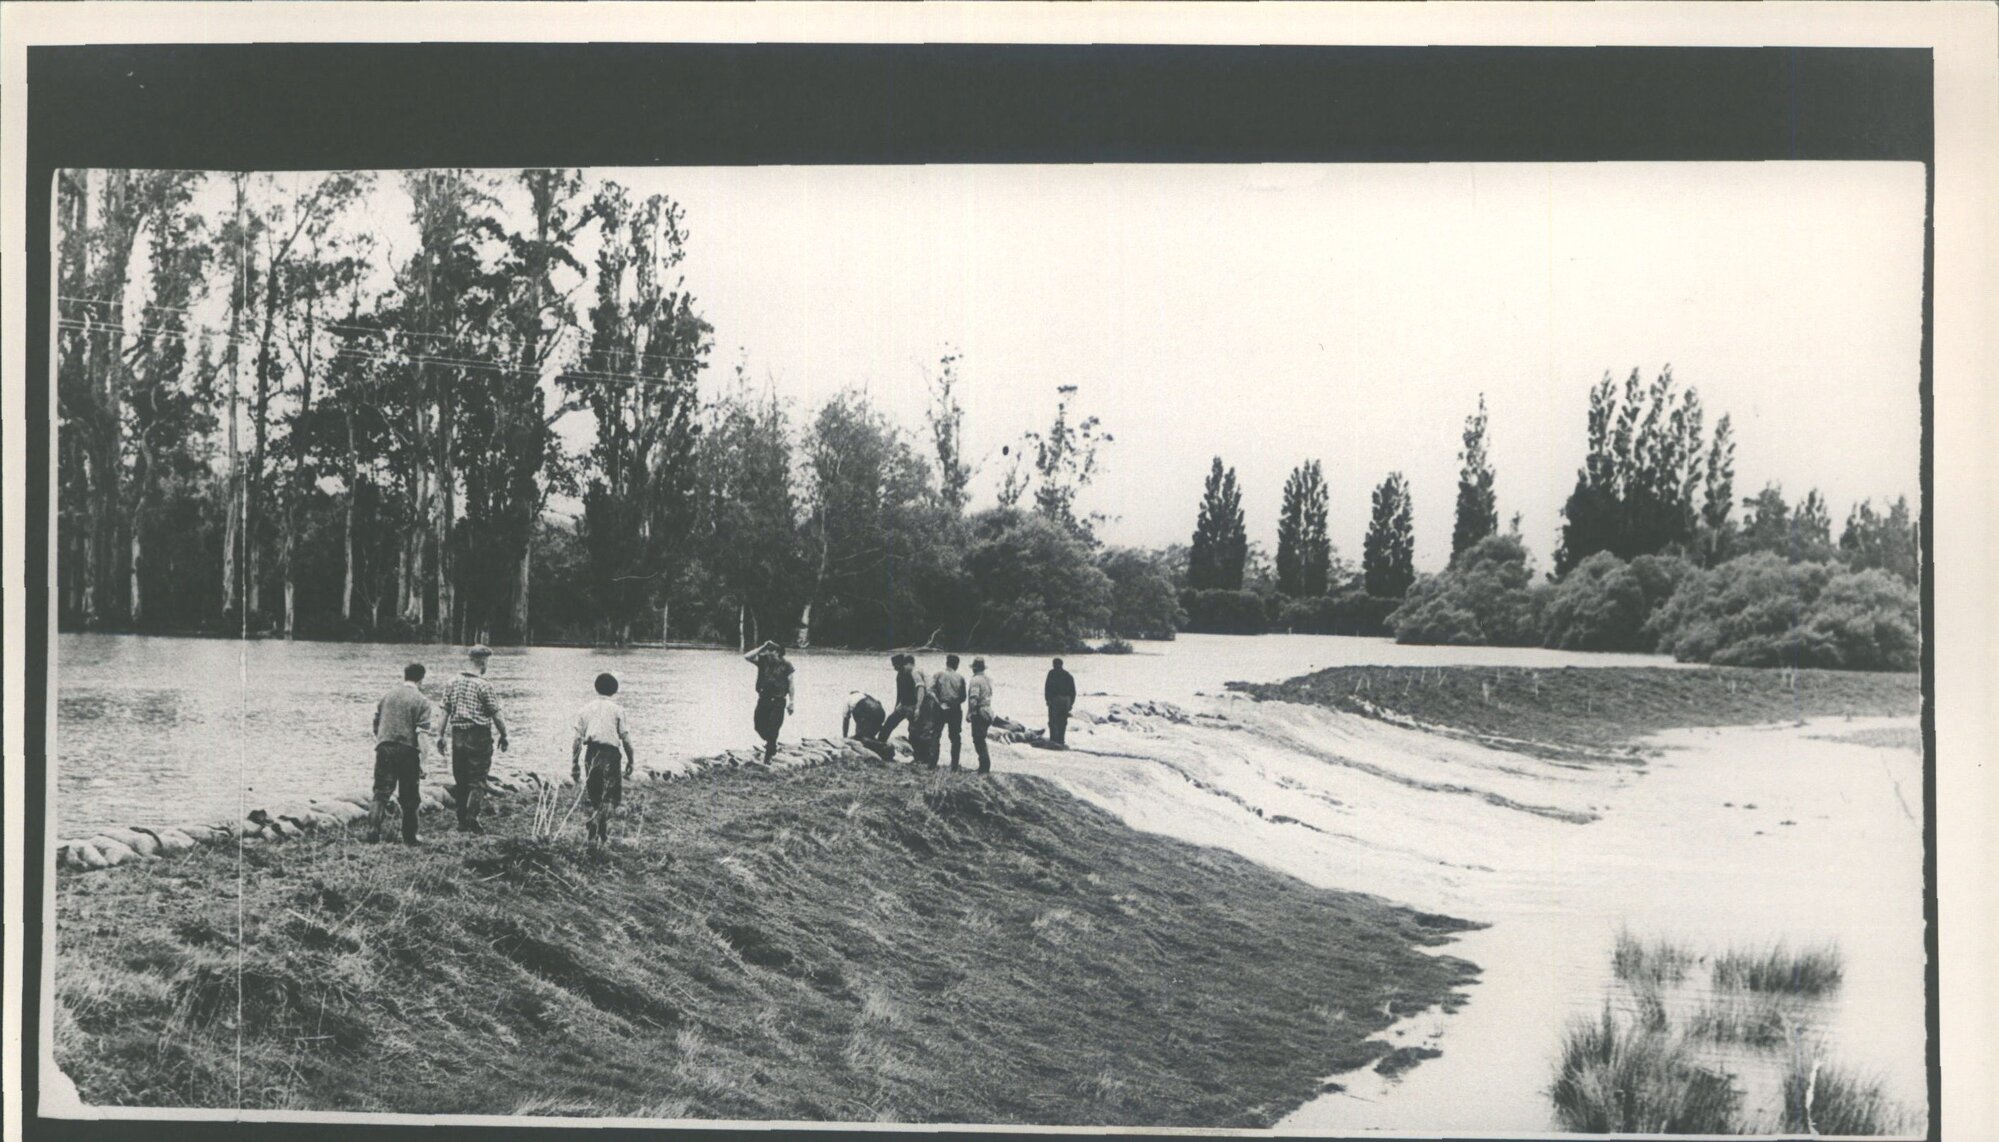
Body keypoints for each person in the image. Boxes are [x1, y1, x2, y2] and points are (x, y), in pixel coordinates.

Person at [439, 644, 509, 833]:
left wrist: (440, 735)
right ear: (484, 661)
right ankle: (472, 818)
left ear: (470, 659)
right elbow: (496, 714)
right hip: (478, 735)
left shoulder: (452, 682)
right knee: (478, 779)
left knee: (460, 778)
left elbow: (445, 711)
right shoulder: (484, 685)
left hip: (457, 735)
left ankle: (461, 820)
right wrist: (504, 735)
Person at [370, 662, 434, 844]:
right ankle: (410, 836)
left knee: (381, 792)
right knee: (410, 796)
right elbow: (422, 734)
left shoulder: (387, 696)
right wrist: (424, 762)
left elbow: (376, 723)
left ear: (404, 676)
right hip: (407, 750)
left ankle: (373, 830)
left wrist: (382, 739)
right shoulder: (422, 701)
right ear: (422, 679)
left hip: (384, 746)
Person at [571, 672, 636, 847]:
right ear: (614, 690)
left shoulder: (585, 709)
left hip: (591, 753)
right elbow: (626, 738)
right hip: (610, 754)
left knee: (596, 797)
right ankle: (595, 824)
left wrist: (574, 764)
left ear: (596, 688)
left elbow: (577, 739)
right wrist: (631, 760)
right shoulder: (618, 710)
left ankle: (599, 837)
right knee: (612, 799)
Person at [744, 640, 795, 762]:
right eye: (767, 651)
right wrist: (763, 647)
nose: (767, 654)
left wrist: (791, 702)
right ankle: (771, 744)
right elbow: (747, 656)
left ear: (777, 652)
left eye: (770, 651)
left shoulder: (786, 665)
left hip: (778, 700)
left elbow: (791, 684)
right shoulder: (763, 661)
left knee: (773, 727)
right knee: (758, 726)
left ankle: (768, 755)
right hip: (763, 699)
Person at [929, 653, 969, 770]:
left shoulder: (938, 675)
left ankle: (932, 763)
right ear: (956, 665)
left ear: (946, 663)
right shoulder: (960, 678)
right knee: (955, 737)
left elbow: (930, 691)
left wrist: (940, 703)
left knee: (935, 734)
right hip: (955, 709)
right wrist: (953, 703)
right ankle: (954, 765)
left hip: (939, 708)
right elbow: (963, 697)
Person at [878, 654, 919, 742]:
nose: (894, 667)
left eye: (895, 665)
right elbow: (899, 694)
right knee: (889, 723)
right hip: (904, 705)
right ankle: (880, 742)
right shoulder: (900, 675)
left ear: (901, 664)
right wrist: (896, 707)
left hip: (911, 706)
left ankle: (881, 741)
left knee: (911, 729)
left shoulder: (910, 674)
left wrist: (917, 708)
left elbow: (915, 691)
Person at [967, 657, 995, 775]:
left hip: (979, 712)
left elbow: (974, 698)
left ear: (974, 668)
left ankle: (983, 768)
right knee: (981, 738)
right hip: (988, 711)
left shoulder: (975, 680)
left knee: (978, 739)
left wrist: (969, 712)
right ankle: (985, 766)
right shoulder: (988, 679)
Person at [1045, 656, 1076, 747]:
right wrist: (1071, 703)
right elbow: (1073, 691)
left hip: (1055, 700)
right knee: (1062, 721)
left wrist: (1048, 700)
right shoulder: (1068, 675)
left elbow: (1047, 688)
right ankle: (1061, 740)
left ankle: (1054, 740)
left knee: (1053, 721)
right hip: (1066, 700)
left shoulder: (1051, 673)